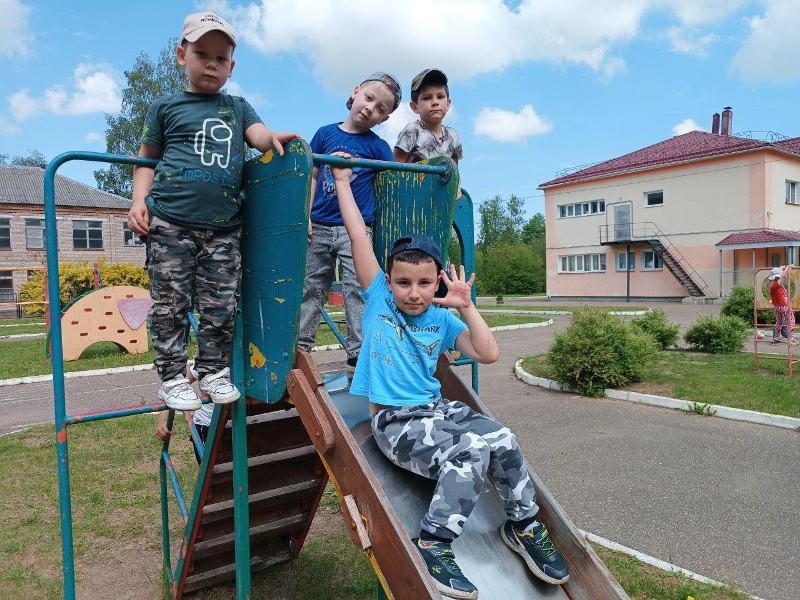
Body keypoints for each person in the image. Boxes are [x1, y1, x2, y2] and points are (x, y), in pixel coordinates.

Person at [328, 153, 569, 599]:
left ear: (437, 280)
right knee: (471, 452)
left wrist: (467, 305)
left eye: (423, 283)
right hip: (395, 422)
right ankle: (434, 542)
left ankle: (523, 526)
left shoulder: (443, 320)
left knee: (501, 436)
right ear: (391, 280)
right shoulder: (379, 297)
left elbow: (488, 353)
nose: (413, 293)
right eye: (404, 282)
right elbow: (358, 235)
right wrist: (342, 180)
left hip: (437, 411)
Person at [127, 11, 298, 411]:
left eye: (220, 58)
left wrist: (273, 137)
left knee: (220, 304)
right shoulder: (165, 107)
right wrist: (138, 201)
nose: (211, 63)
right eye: (202, 53)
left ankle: (211, 370)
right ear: (181, 55)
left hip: (223, 229)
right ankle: (171, 376)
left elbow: (259, 138)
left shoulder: (237, 108)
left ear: (231, 67)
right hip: (170, 222)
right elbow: (146, 159)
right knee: (170, 303)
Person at [297, 73, 401, 372]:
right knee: (311, 285)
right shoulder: (326, 133)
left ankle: (359, 352)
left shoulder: (377, 147)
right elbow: (313, 175)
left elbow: (389, 186)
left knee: (359, 286)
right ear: (356, 93)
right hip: (319, 223)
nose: (371, 108)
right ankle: (301, 348)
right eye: (369, 98)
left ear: (383, 119)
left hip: (356, 229)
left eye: (381, 109)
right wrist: (305, 215)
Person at [393, 68, 463, 194]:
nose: (435, 102)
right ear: (415, 107)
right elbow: (395, 164)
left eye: (440, 97)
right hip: (414, 194)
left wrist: (456, 185)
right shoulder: (412, 131)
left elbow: (454, 167)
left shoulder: (453, 136)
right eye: (427, 98)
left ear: (448, 104)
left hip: (441, 195)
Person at [155, 365, 215, 464]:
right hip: (207, 427)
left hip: (238, 424)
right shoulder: (209, 360)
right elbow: (172, 387)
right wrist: (163, 421)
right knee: (211, 470)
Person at [768, 266, 797, 346]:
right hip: (783, 306)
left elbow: (782, 277)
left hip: (778, 307)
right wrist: (788, 268)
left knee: (779, 322)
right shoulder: (776, 284)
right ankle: (791, 338)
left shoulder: (773, 285)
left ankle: (777, 336)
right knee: (791, 321)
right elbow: (783, 277)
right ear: (777, 277)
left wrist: (781, 268)